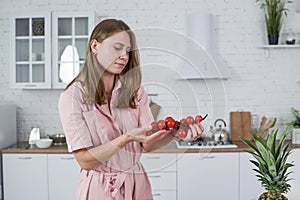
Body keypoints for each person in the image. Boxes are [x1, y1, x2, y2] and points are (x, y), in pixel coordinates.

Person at [58, 18, 204, 200]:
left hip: (137, 184)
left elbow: (147, 144)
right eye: (117, 48)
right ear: (94, 46)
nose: (124, 56)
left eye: (128, 51)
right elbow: (85, 160)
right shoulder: (73, 97)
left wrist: (174, 133)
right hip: (98, 188)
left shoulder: (135, 93)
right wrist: (126, 138)